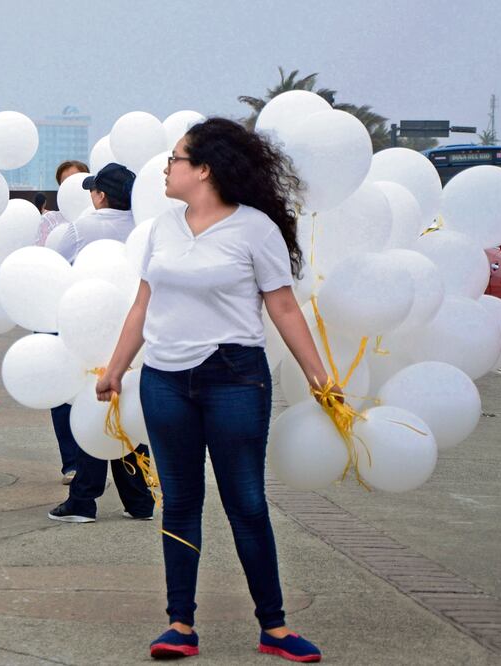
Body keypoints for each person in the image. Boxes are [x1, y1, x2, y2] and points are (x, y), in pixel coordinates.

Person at [95, 118, 331, 662]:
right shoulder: (163, 228)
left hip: (234, 378)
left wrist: (321, 378)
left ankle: (274, 628)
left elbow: (284, 306)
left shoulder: (254, 229)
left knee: (246, 503)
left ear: (203, 169)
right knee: (178, 502)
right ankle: (179, 625)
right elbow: (142, 304)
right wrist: (114, 369)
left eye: (175, 158)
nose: (165, 167)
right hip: (165, 381)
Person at [45, 162, 154, 523]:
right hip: (135, 331)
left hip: (88, 330)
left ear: (100, 195)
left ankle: (84, 499)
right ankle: (139, 500)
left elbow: (54, 272)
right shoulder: (145, 229)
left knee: (94, 405)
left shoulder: (77, 230)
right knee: (127, 406)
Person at [36, 160, 88, 246]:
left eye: (75, 181)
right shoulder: (50, 220)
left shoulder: (100, 218)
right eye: (65, 183)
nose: (71, 187)